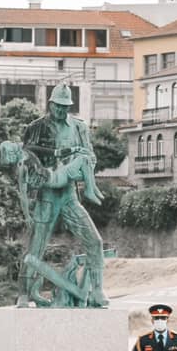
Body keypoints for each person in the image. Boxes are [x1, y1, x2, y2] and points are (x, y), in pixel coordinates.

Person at [13, 83, 107, 308]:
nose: (62, 111)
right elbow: (26, 157)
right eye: (58, 106)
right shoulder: (36, 127)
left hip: (69, 194)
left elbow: (91, 156)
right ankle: (24, 294)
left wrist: (84, 161)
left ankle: (97, 292)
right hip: (46, 193)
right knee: (36, 246)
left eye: (66, 107)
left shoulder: (79, 127)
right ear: (50, 104)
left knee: (94, 241)